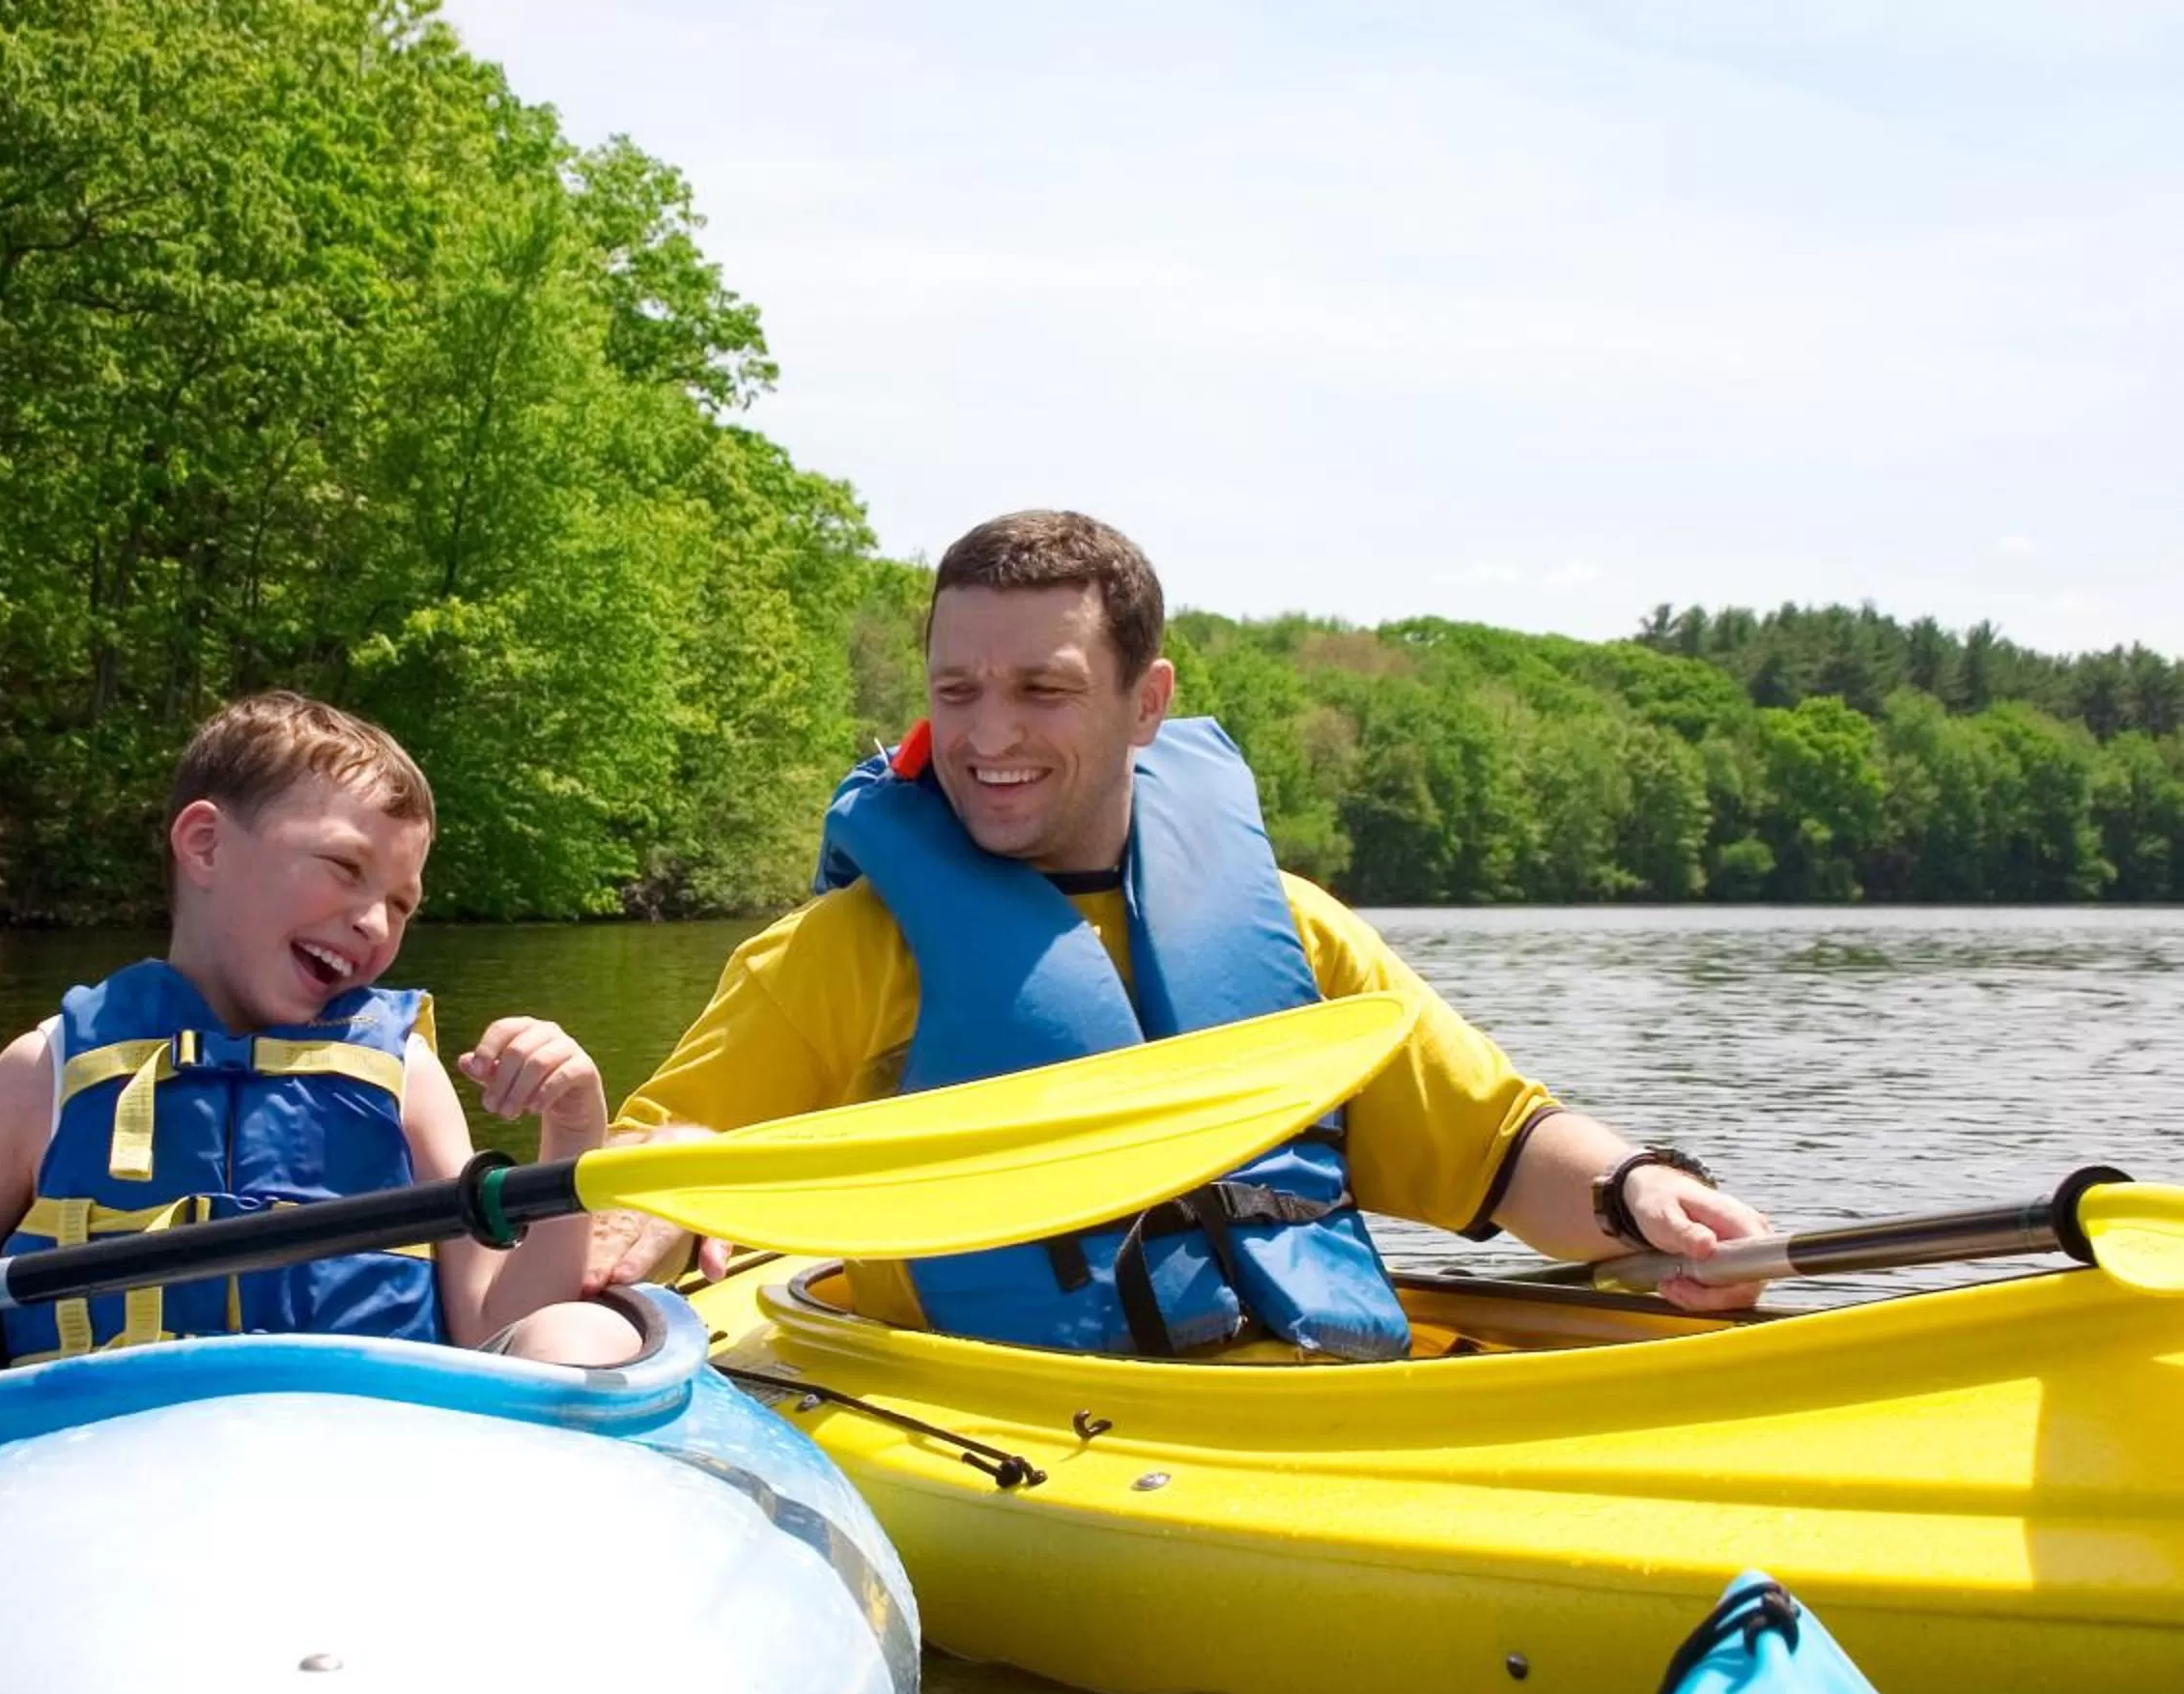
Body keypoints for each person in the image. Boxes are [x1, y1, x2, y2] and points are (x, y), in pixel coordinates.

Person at [587, 510, 1772, 1361]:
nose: (987, 735)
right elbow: (655, 1165)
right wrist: (663, 1190)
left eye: (1042, 690)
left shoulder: (1296, 932)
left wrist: (1640, 1188)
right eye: (957, 691)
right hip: (1015, 1417)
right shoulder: (847, 950)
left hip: (1318, 1391)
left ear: (1145, 702)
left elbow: (1501, 1150)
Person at [0, 692, 638, 1369]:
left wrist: (571, 1135)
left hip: (358, 1451)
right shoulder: (48, 1071)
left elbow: (493, 1324)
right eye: (344, 867)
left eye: (402, 903)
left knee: (582, 1334)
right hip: (110, 1461)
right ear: (204, 845)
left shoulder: (404, 1075)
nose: (374, 923)